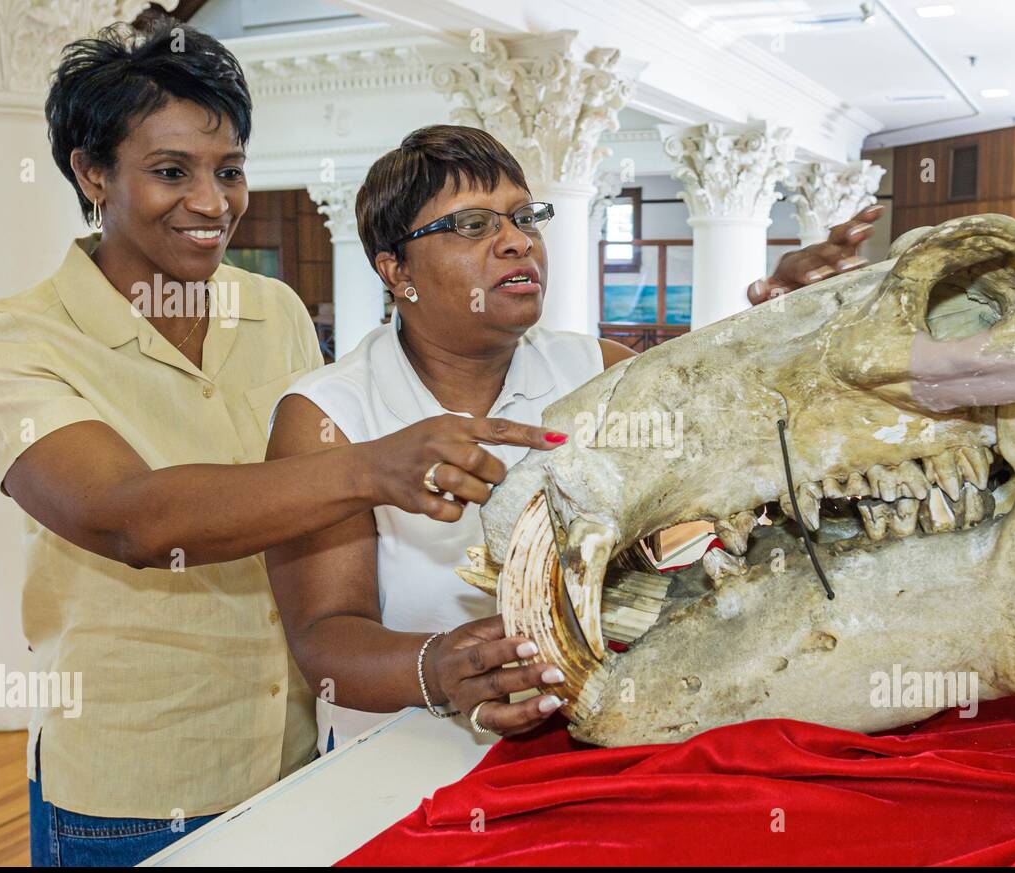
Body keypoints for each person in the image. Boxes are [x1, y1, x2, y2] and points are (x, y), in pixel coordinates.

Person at [0, 20, 561, 867]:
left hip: (301, 757)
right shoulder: (17, 342)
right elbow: (125, 519)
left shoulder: (273, 310)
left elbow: (311, 531)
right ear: (92, 173)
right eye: (172, 173)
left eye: (230, 171)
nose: (213, 203)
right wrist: (370, 465)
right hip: (130, 786)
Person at [265, 125, 885, 753]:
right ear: (396, 269)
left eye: (524, 217)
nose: (516, 242)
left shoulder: (598, 372)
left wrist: (793, 328)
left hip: (588, 740)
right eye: (474, 226)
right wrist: (438, 669)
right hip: (397, 764)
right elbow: (324, 637)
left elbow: (743, 449)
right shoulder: (328, 415)